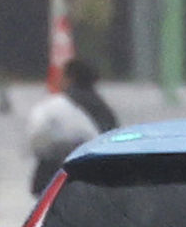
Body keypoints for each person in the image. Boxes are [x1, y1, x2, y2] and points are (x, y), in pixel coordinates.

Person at [25, 57, 119, 191]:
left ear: (70, 78)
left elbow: (38, 137)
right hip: (98, 176)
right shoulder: (104, 109)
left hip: (58, 178)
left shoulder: (57, 106)